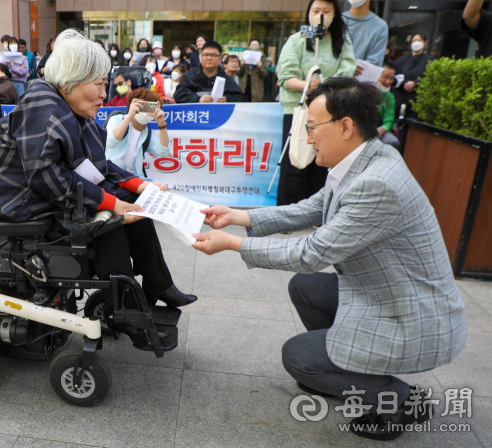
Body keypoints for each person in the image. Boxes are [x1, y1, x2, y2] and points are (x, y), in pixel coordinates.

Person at [192, 76, 467, 442]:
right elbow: (314, 207)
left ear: (346, 126)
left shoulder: (377, 183)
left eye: (311, 127)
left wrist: (231, 244)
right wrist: (240, 217)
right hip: (385, 293)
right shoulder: (368, 156)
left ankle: (402, 399)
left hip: (411, 313)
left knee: (299, 358)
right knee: (306, 289)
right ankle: (346, 372)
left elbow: (311, 252)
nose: (307, 138)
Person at [0, 29, 196, 311]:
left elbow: (97, 165)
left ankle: (158, 283)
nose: (105, 94)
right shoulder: (44, 107)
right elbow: (46, 176)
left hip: (36, 192)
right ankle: (126, 308)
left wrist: (139, 186)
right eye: (100, 84)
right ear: (71, 81)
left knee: (136, 207)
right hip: (16, 202)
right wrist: (113, 204)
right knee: (108, 223)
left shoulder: (71, 106)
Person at [276, 0, 356, 206]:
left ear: (335, 14)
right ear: (308, 13)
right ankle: (288, 211)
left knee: (323, 160)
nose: (321, 15)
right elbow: (285, 76)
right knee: (295, 159)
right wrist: (307, 85)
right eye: (316, 10)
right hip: (297, 108)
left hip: (330, 110)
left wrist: (324, 88)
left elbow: (347, 71)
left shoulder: (343, 41)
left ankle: (317, 212)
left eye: (326, 11)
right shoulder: (296, 40)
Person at [105, 89, 170, 178]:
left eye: (149, 108)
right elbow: (110, 142)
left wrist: (161, 124)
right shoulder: (117, 119)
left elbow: (164, 152)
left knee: (161, 187)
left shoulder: (147, 133)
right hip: (112, 176)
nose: (145, 112)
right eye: (141, 106)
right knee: (119, 164)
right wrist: (129, 116)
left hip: (135, 177)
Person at [174, 41, 248, 104]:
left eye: (213, 55)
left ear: (220, 59)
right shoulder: (189, 75)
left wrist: (227, 99)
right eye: (206, 55)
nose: (209, 58)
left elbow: (242, 98)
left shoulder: (225, 78)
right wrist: (197, 99)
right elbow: (179, 95)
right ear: (201, 57)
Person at [342, 0, 388, 70]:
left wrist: (352, 69)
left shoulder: (380, 26)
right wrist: (349, 68)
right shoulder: (336, 20)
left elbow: (374, 62)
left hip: (361, 79)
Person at [376, 63, 400, 151]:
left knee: (393, 141)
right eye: (385, 77)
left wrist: (381, 129)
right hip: (362, 128)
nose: (388, 81)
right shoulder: (364, 92)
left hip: (379, 129)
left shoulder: (390, 97)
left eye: (391, 78)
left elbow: (389, 119)